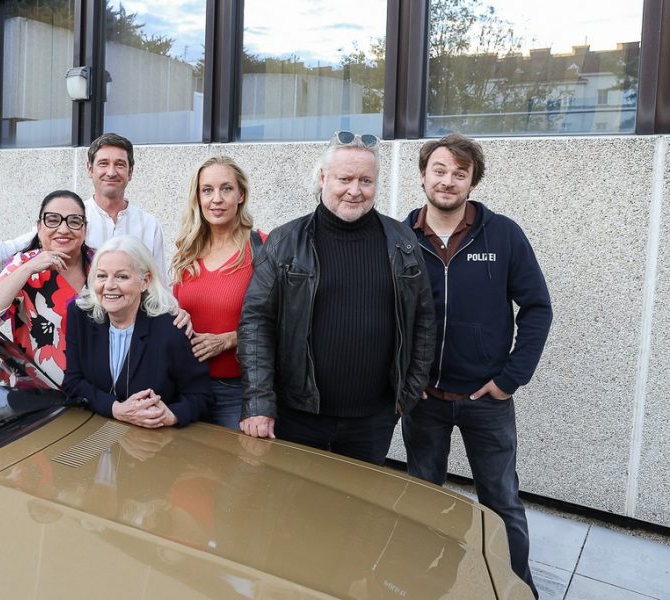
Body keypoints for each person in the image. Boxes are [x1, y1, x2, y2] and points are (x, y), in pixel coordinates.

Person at [401, 133, 552, 597]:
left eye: (459, 173)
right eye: (440, 170)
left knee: (502, 501)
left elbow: (537, 308)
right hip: (423, 401)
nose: (448, 181)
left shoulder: (503, 234)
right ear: (424, 175)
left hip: (486, 400)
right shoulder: (400, 238)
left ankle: (516, 589)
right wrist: (406, 379)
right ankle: (430, 584)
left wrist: (509, 380)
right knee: (424, 497)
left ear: (473, 181)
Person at [237, 131, 436, 466]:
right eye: (344, 179)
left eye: (365, 181)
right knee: (294, 510)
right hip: (297, 416)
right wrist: (258, 403)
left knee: (360, 513)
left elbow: (424, 320)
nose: (355, 190)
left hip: (373, 420)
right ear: (323, 177)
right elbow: (256, 324)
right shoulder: (285, 242)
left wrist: (409, 391)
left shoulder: (401, 241)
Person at [0, 132, 168, 283]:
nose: (111, 171)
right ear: (89, 169)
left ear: (131, 172)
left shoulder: (148, 225)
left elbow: (160, 286)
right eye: (103, 163)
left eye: (120, 164)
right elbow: (10, 252)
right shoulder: (71, 219)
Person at [64, 235, 210, 428]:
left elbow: (201, 395)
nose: (109, 285)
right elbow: (73, 383)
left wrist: (172, 415)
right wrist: (115, 409)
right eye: (101, 276)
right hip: (93, 433)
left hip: (150, 443)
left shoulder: (170, 327)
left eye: (121, 276)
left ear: (145, 281)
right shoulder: (80, 315)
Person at [171, 156, 265, 429]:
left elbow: (282, 320)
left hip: (238, 391)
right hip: (187, 387)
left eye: (226, 189)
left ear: (241, 195)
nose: (217, 199)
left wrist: (227, 340)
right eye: (207, 190)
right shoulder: (186, 251)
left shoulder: (262, 248)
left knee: (237, 470)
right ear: (198, 198)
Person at [0, 190, 92, 383]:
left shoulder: (103, 264)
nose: (64, 229)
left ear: (85, 229)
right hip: (40, 393)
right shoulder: (23, 265)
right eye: (53, 220)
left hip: (99, 394)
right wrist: (28, 269)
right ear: (39, 227)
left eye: (74, 221)